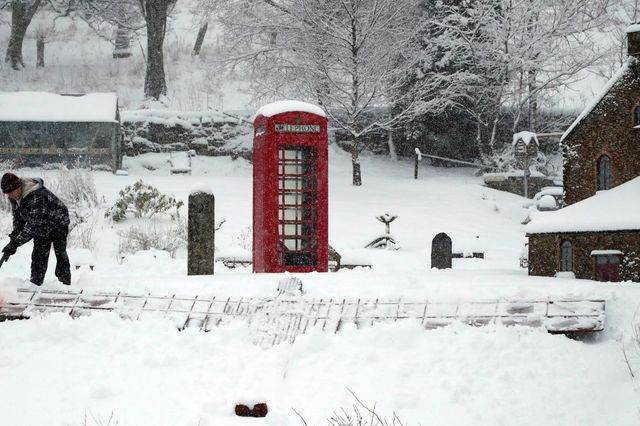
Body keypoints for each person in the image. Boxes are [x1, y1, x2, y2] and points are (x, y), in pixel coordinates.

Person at [1, 172, 71, 286]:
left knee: (60, 252)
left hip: (58, 220)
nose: (10, 196)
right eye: (7, 193)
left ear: (19, 187)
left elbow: (33, 226)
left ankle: (65, 283)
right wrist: (14, 237)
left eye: (12, 192)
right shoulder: (14, 197)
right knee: (39, 253)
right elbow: (18, 218)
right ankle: (35, 283)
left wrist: (16, 243)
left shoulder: (37, 195)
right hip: (41, 223)